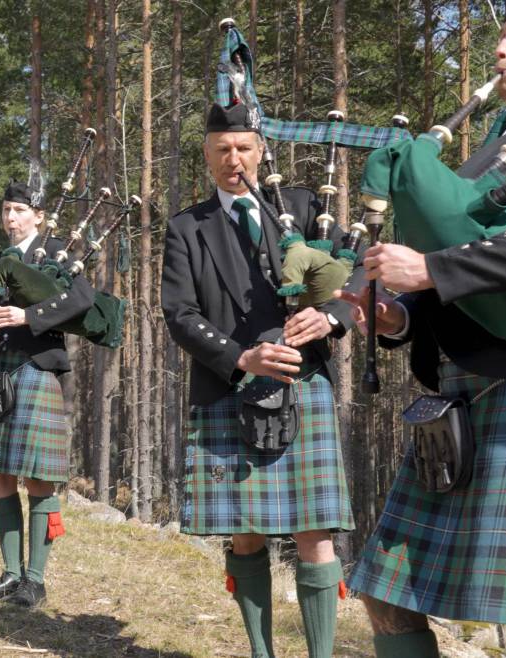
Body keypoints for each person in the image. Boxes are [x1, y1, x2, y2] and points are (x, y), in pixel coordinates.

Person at [338, 5, 506, 655]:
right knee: (385, 591)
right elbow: (472, 249)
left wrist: (432, 267)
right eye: (500, 35)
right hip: (460, 396)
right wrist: (401, 313)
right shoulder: (501, 136)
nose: (499, 52)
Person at [160, 103, 364, 658]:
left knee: (315, 532)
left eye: (244, 148)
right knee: (246, 530)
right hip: (231, 387)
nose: (235, 160)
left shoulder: (300, 207)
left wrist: (332, 316)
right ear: (206, 157)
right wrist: (240, 357)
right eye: (222, 150)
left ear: (260, 151)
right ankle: (261, 653)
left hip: (304, 381)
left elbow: (359, 263)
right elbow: (179, 313)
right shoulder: (187, 227)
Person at [0, 180, 95, 609]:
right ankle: (10, 574)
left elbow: (83, 300)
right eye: (5, 210)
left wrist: (28, 314)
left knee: (36, 476)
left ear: (38, 214)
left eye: (18, 210)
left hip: (35, 371)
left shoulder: (58, 256)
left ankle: (35, 579)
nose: (10, 218)